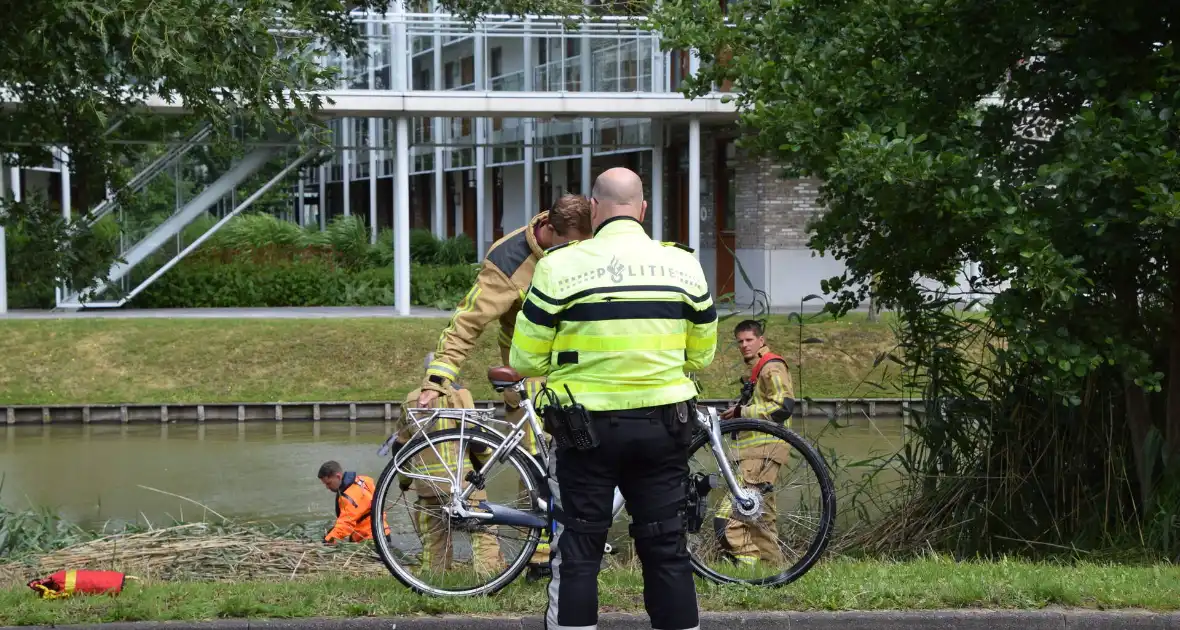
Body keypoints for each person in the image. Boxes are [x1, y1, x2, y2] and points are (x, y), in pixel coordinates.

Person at [510, 167, 718, 630]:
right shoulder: (683, 264)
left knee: (579, 551)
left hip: (586, 432)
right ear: (643, 210)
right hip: (665, 427)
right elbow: (702, 355)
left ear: (595, 210)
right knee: (667, 550)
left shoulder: (559, 266)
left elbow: (524, 357)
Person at [416, 194, 592, 573]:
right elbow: (468, 321)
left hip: (584, 371)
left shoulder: (586, 241)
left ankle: (569, 545)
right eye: (570, 246)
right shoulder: (509, 259)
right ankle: (543, 558)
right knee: (541, 466)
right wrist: (438, 377)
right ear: (549, 230)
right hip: (532, 375)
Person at [716, 319, 795, 565]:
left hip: (764, 451)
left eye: (749, 340)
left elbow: (784, 406)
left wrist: (743, 413)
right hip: (757, 452)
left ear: (761, 340)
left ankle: (747, 560)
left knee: (726, 518)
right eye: (740, 341)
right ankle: (773, 570)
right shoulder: (758, 368)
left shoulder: (771, 366)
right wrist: (737, 411)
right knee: (763, 519)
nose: (744, 345)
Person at [318, 460, 386, 544]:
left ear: (338, 476)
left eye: (329, 483)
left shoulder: (348, 498)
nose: (327, 487)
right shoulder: (362, 480)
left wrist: (327, 541)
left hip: (370, 540)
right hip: (383, 530)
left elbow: (345, 525)